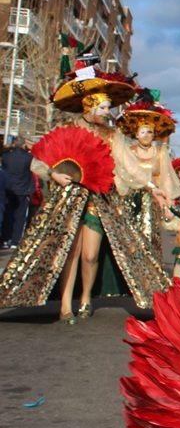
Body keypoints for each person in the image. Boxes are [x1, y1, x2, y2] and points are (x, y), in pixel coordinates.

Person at [0, 70, 169, 322]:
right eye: (102, 107)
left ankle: (87, 296)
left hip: (99, 199)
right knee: (68, 251)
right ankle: (66, 303)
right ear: (89, 107)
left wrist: (151, 187)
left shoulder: (112, 136)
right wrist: (54, 174)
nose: (106, 112)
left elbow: (128, 164)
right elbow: (40, 160)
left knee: (90, 254)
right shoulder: (66, 128)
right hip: (67, 199)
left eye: (108, 108)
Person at [117, 94, 180, 258]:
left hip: (152, 203)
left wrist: (167, 206)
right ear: (136, 133)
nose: (147, 136)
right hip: (129, 201)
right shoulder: (128, 152)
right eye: (143, 132)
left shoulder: (160, 153)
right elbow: (121, 173)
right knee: (128, 241)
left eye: (150, 132)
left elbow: (166, 179)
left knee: (148, 239)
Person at [2, 135, 35, 248]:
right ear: (23, 144)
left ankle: (6, 239)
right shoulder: (28, 158)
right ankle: (15, 241)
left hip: (9, 189)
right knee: (20, 217)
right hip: (23, 189)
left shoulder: (6, 157)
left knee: (8, 215)